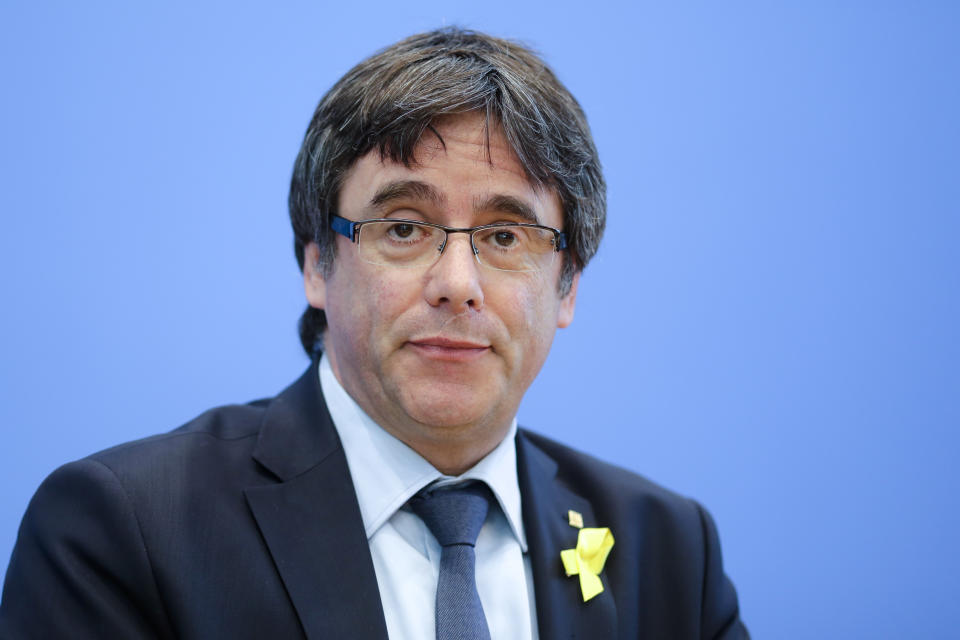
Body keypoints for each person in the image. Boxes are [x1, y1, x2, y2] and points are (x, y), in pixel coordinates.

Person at [0, 28, 748, 639]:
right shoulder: (123, 532)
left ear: (568, 285)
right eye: (403, 227)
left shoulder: (669, 552)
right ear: (317, 263)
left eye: (506, 235)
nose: (458, 281)